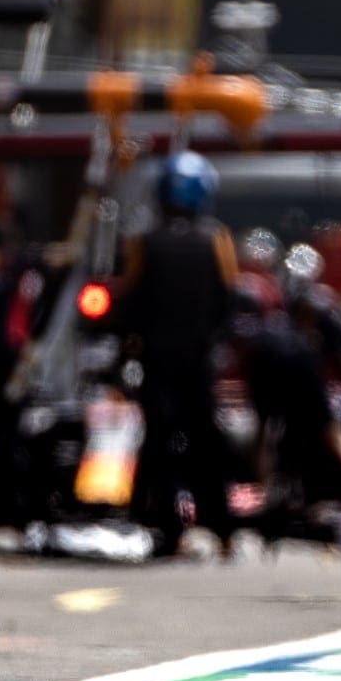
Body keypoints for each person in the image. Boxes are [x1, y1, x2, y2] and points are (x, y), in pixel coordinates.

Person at [123, 151, 239, 557]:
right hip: (197, 360)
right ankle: (222, 531)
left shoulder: (144, 241)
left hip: (157, 360)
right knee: (207, 445)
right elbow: (228, 299)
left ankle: (166, 530)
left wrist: (131, 347)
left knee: (158, 443)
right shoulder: (215, 238)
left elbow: (131, 300)